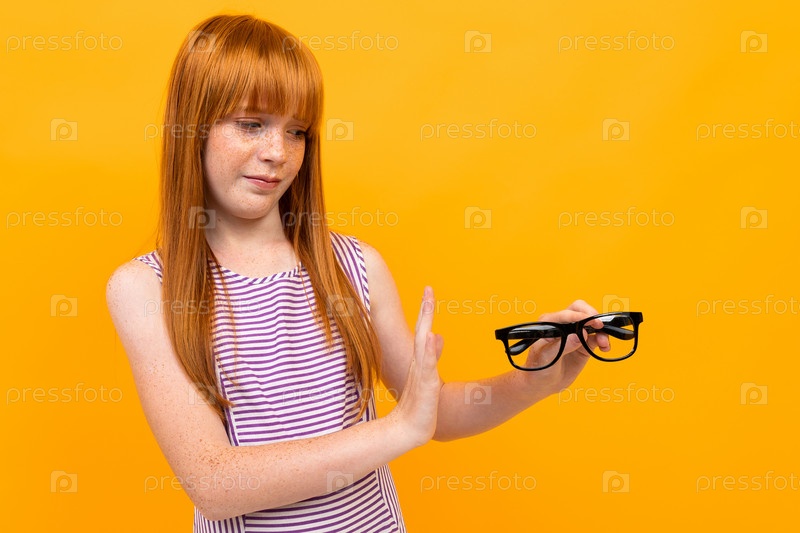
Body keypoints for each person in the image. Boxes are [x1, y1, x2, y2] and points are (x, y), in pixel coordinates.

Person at [105, 13, 609, 533]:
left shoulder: (355, 266)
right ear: (193, 125)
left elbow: (432, 414)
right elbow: (214, 484)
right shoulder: (147, 288)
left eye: (297, 131)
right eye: (251, 123)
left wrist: (533, 380)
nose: (278, 153)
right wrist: (397, 431)